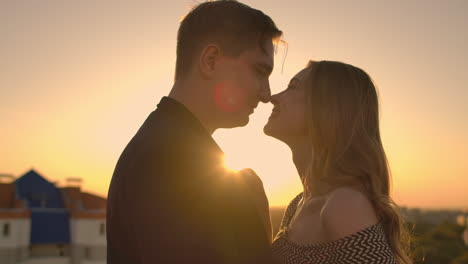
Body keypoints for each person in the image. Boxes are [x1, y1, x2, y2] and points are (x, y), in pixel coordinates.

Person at [106, 1, 282, 263]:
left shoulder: (169, 145)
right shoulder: (171, 160)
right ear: (210, 61)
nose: (267, 94)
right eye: (259, 70)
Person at [264, 61, 412, 263]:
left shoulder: (344, 204)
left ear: (327, 108)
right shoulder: (298, 203)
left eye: (293, 87)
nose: (273, 97)